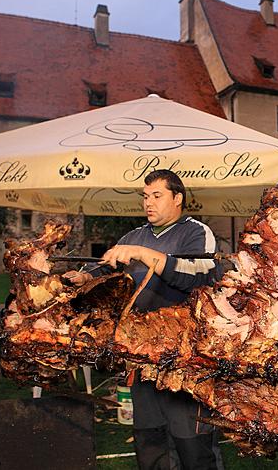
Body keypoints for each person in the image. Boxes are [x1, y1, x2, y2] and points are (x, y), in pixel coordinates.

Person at [64, 169, 223, 470]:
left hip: (184, 363)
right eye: (145, 197)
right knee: (151, 446)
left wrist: (142, 253)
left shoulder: (195, 232)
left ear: (177, 198)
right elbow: (105, 270)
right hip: (140, 358)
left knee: (193, 449)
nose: (148, 203)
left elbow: (199, 275)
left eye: (157, 196)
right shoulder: (133, 236)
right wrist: (84, 276)